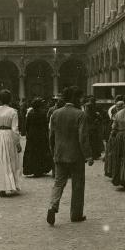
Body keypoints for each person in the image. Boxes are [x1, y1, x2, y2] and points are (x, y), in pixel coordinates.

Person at [46, 86, 94, 225]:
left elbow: (51, 136)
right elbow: (83, 138)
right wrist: (88, 156)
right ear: (75, 98)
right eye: (79, 98)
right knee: (78, 185)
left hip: (60, 154)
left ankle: (52, 206)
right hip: (76, 156)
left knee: (58, 183)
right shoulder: (80, 114)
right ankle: (76, 214)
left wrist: (53, 151)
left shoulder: (55, 113)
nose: (81, 100)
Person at [0, 89, 22, 197]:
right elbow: (15, 129)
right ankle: (9, 185)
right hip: (8, 135)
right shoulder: (13, 111)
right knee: (9, 159)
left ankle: (1, 186)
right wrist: (17, 143)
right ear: (10, 99)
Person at [23, 97, 53, 177]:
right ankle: (41, 169)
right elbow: (45, 125)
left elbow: (27, 125)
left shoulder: (30, 113)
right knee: (41, 151)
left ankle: (32, 168)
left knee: (32, 152)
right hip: (41, 134)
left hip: (32, 134)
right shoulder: (43, 113)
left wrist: (27, 133)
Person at [104, 96, 124, 178]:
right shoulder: (117, 114)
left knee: (112, 154)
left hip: (113, 134)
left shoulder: (114, 113)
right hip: (116, 134)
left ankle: (111, 170)